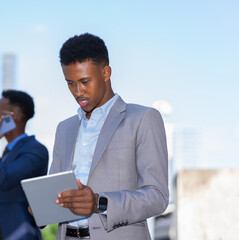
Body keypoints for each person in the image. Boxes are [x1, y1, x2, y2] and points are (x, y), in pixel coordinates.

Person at [51, 33, 169, 240]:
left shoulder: (143, 118)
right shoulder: (64, 129)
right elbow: (56, 192)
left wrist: (99, 202)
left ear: (106, 73)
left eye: (85, 81)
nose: (78, 92)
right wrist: (42, 206)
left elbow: (157, 196)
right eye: (70, 83)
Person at [0, 90, 49, 240]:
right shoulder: (7, 153)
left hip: (18, 233)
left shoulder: (35, 150)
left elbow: (4, 179)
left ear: (12, 116)